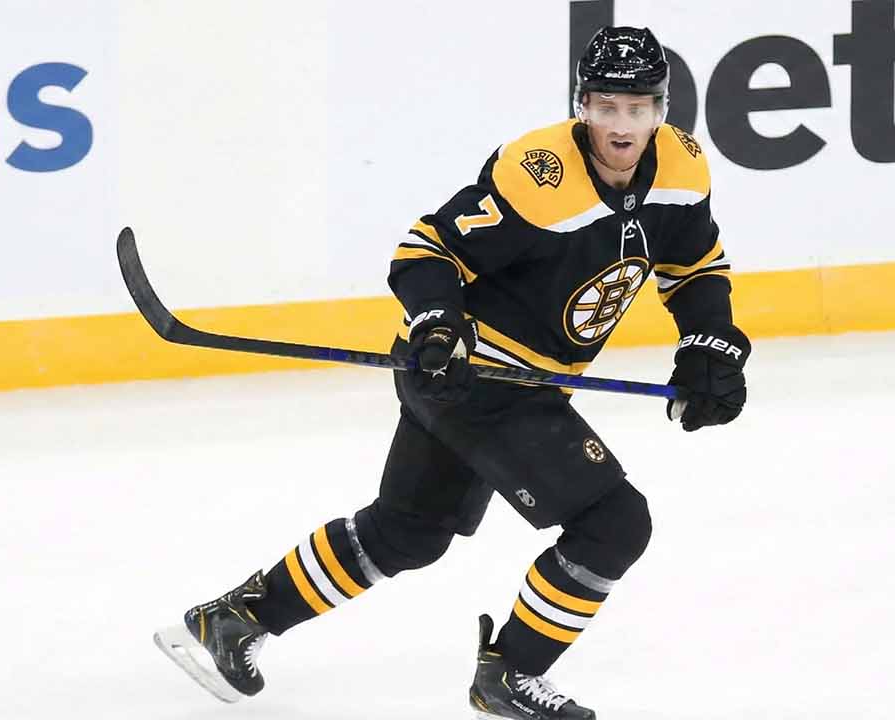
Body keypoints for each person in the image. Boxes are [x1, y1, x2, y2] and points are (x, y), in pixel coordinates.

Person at [153, 26, 750, 720]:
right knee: (614, 522)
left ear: (662, 109)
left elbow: (694, 267)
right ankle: (511, 674)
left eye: (639, 107)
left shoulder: (682, 169)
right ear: (581, 104)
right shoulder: (539, 175)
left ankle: (232, 621)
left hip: (517, 383)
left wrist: (710, 343)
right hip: (476, 377)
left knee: (408, 531)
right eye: (607, 106)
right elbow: (425, 250)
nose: (622, 125)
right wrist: (438, 325)